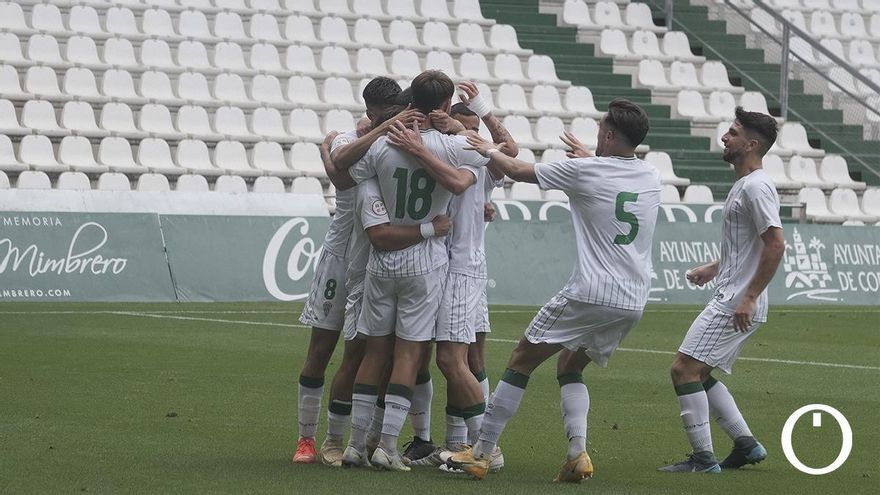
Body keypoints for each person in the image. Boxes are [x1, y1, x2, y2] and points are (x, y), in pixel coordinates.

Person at [447, 98, 661, 482]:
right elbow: (607, 173)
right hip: (633, 299)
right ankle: (577, 454)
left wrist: (485, 147)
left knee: (521, 360)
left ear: (610, 136)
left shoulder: (587, 172)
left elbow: (515, 168)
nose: (596, 137)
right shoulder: (651, 176)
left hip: (590, 292)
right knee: (570, 364)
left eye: (600, 132)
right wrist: (587, 158)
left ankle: (480, 453)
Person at [328, 70, 490, 471]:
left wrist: (377, 130)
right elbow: (484, 163)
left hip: (381, 263)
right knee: (409, 356)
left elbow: (343, 171)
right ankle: (386, 445)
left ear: (409, 100)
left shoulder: (383, 143)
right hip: (426, 261)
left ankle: (354, 445)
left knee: (374, 353)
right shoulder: (452, 146)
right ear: (447, 103)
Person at [386, 83, 516, 470]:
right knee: (457, 357)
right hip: (443, 264)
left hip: (462, 269)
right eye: (465, 128)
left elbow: (509, 151)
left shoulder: (471, 153)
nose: (474, 136)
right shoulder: (445, 151)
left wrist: (480, 116)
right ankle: (456, 443)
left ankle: (483, 447)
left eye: (477, 131)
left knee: (455, 359)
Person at [293, 77, 421, 464]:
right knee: (321, 348)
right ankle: (308, 440)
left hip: (377, 260)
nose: (392, 119)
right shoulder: (353, 137)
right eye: (385, 115)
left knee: (368, 352)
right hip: (340, 255)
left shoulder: (401, 138)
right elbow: (340, 172)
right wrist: (335, 150)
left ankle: (362, 440)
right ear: (371, 112)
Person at [658, 107, 784, 474]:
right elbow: (751, 245)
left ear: (752, 143)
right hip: (732, 294)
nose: (725, 137)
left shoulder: (757, 186)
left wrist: (749, 296)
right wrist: (713, 268)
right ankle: (745, 444)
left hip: (735, 302)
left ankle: (703, 459)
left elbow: (775, 245)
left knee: (683, 370)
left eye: (733, 132)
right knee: (700, 372)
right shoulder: (746, 185)